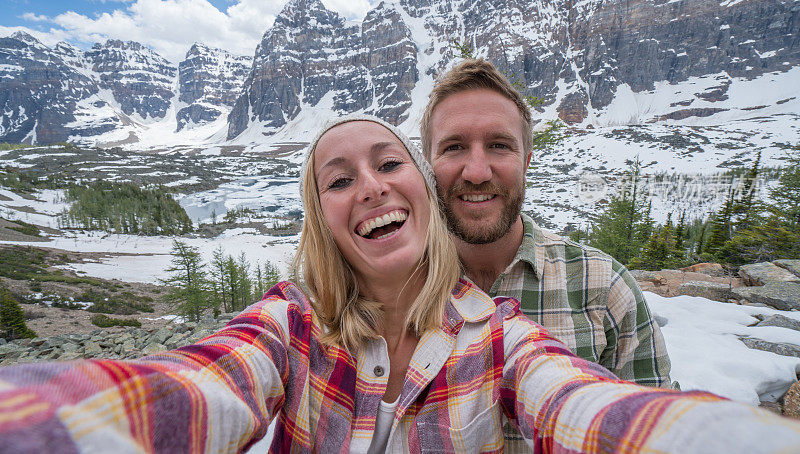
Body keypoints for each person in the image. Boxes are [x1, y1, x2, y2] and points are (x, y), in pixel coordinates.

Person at [2, 115, 800, 453]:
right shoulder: (289, 325)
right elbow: (193, 386)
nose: (374, 187)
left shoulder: (500, 333)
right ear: (320, 220)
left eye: (389, 164)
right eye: (339, 180)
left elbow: (590, 406)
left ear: (421, 189)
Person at [420, 58, 670, 386]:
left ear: (525, 163)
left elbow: (651, 428)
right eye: (454, 147)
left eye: (499, 146)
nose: (477, 172)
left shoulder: (604, 288)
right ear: (426, 166)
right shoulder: (393, 286)